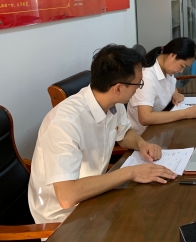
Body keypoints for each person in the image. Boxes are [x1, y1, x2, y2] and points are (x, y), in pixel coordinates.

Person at [28, 44, 177, 224]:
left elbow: (124, 133)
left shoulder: (112, 103)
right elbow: (67, 196)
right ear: (118, 88)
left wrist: (142, 144)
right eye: (138, 83)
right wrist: (130, 172)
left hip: (95, 195)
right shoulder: (64, 123)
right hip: (63, 218)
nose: (139, 89)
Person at [127, 37, 196, 135]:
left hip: (161, 127)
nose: (181, 71)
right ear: (172, 55)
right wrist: (185, 113)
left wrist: (174, 93)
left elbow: (168, 84)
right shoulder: (147, 77)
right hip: (145, 135)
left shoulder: (166, 67)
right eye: (182, 66)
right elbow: (145, 118)